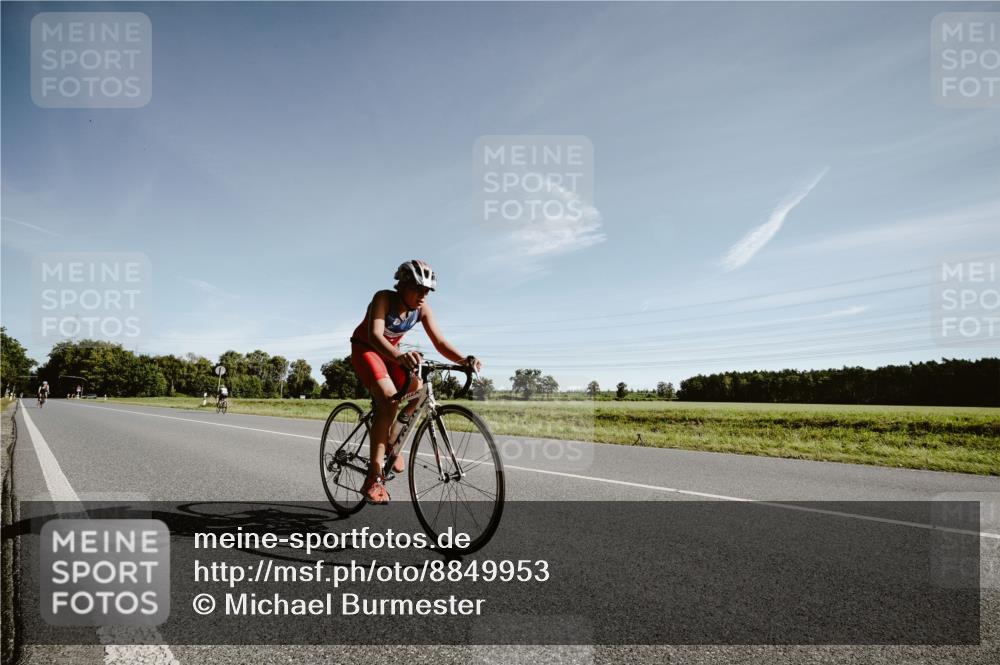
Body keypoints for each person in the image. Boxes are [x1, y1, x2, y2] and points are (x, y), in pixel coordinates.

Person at [350, 259, 480, 504]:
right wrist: (400, 355)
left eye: (427, 292)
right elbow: (375, 335)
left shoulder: (422, 311)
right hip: (367, 349)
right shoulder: (384, 298)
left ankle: (392, 438)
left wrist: (463, 359)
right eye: (418, 289)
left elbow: (440, 343)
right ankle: (374, 477)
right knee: (389, 399)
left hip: (392, 354)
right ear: (402, 285)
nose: (423, 296)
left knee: (416, 388)